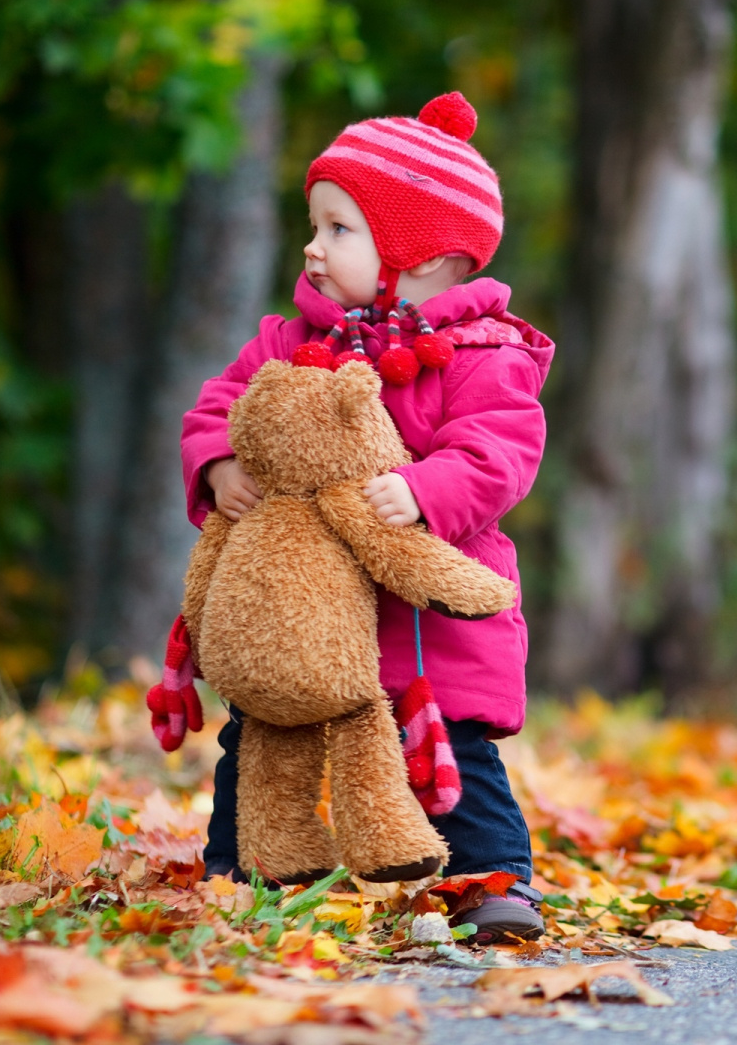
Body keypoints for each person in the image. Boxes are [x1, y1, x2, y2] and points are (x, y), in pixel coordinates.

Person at [179, 92, 554, 943]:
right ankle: (240, 872)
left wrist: (427, 492)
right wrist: (219, 462)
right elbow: (218, 407)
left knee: (452, 756)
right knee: (261, 736)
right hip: (303, 612)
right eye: (314, 225)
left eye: (340, 230)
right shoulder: (287, 344)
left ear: (425, 258)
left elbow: (500, 451)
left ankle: (491, 882)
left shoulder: (482, 355)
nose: (313, 248)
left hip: (429, 620)